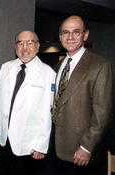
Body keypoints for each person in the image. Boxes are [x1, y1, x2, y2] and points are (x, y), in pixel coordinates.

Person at [50, 15, 114, 175]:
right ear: (60, 37)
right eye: (65, 32)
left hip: (80, 153)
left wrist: (87, 147)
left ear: (85, 35)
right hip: (55, 150)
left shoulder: (101, 65)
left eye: (76, 32)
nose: (70, 37)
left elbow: (103, 113)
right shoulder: (58, 66)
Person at [0, 30, 56, 175]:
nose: (24, 47)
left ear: (37, 46)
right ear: (16, 47)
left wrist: (41, 145)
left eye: (29, 43)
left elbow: (47, 113)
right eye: (20, 43)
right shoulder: (6, 67)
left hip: (29, 145)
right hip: (3, 140)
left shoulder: (48, 74)